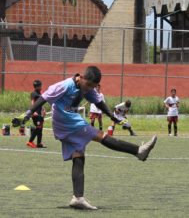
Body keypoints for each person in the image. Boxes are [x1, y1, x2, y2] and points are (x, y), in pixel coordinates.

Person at [22, 66, 157, 210]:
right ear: (81, 77)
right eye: (87, 85)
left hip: (69, 121)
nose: (88, 89)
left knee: (78, 155)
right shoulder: (65, 85)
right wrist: (29, 113)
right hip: (66, 121)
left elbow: (99, 103)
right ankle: (138, 151)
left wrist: (113, 117)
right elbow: (44, 97)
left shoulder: (87, 89)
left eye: (91, 87)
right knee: (99, 135)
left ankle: (78, 198)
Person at [26, 80, 46, 148]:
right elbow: (33, 103)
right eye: (40, 86)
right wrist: (33, 111)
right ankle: (30, 141)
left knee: (40, 128)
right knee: (38, 127)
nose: (41, 87)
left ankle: (39, 143)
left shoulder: (40, 93)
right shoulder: (34, 93)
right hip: (36, 114)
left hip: (40, 113)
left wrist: (43, 110)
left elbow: (41, 103)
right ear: (36, 86)